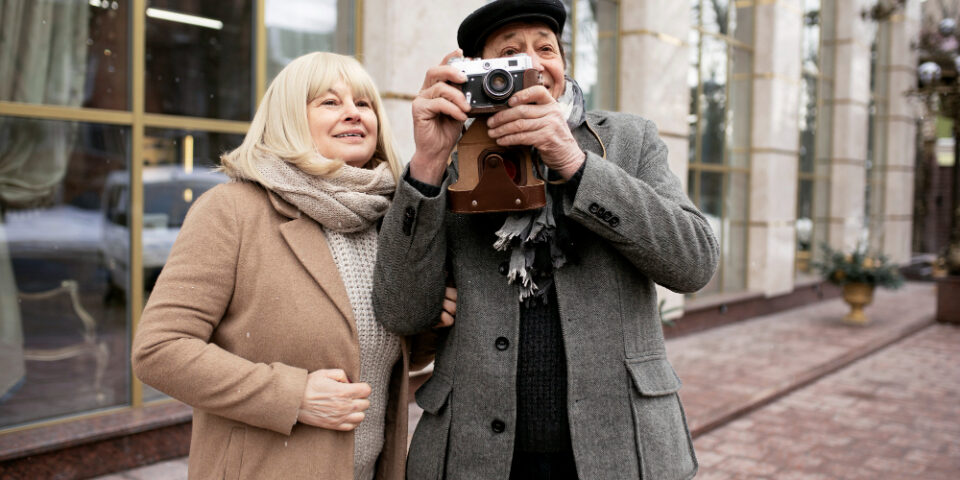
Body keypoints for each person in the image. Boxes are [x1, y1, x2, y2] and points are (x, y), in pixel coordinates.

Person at [372, 1, 719, 479]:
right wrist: (428, 163)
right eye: (509, 55)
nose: (532, 65)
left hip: (620, 450)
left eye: (545, 49)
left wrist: (574, 163)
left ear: (563, 64)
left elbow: (694, 263)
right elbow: (402, 312)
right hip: (477, 456)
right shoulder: (450, 155)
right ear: (476, 73)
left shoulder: (627, 141)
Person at [132, 52, 454, 480]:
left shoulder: (389, 218)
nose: (353, 114)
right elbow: (159, 350)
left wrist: (427, 326)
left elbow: (371, 356)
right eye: (329, 102)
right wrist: (293, 394)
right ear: (288, 118)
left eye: (364, 103)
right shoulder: (231, 211)